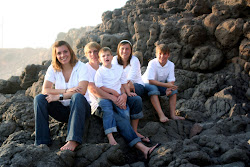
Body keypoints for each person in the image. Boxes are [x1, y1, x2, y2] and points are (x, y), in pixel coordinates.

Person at [84, 42, 160, 159]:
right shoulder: (86, 69)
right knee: (120, 119)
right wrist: (114, 98)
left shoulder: (106, 66)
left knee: (136, 100)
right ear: (86, 55)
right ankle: (143, 149)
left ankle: (134, 131)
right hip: (99, 104)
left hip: (116, 97)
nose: (93, 54)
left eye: (95, 51)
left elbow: (119, 82)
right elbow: (94, 90)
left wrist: (124, 95)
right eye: (90, 52)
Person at [34, 40, 91, 151]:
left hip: (81, 110)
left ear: (70, 52)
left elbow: (82, 91)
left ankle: (73, 141)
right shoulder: (53, 68)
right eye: (59, 53)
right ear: (55, 56)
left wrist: (59, 96)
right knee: (39, 99)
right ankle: (42, 141)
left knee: (77, 97)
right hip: (63, 112)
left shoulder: (82, 67)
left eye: (65, 51)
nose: (62, 55)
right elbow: (45, 90)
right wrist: (66, 90)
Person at [94, 47, 136, 145]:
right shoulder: (100, 72)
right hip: (105, 96)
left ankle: (126, 131)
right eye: (103, 56)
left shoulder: (118, 68)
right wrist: (112, 92)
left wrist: (126, 94)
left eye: (108, 55)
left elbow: (123, 82)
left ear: (112, 57)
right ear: (100, 60)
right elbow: (99, 86)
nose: (106, 57)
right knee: (108, 111)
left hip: (118, 95)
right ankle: (110, 136)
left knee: (125, 111)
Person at [112, 40, 150, 143]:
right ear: (118, 50)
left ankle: (134, 131)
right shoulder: (114, 60)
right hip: (122, 87)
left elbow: (130, 79)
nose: (125, 51)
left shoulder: (134, 60)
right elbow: (113, 76)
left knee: (133, 94)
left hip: (137, 86)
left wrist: (125, 88)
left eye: (127, 49)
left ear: (131, 50)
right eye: (122, 49)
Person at [142, 44, 185, 123]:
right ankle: (161, 115)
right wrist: (166, 85)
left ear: (168, 55)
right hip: (146, 84)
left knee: (174, 90)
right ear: (156, 54)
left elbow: (171, 80)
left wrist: (169, 88)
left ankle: (173, 115)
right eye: (160, 54)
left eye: (164, 54)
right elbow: (150, 80)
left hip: (159, 84)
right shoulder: (152, 63)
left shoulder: (171, 65)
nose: (162, 56)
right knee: (153, 89)